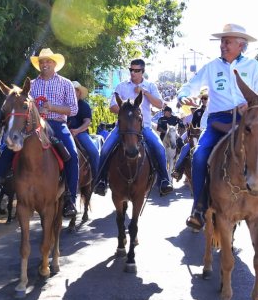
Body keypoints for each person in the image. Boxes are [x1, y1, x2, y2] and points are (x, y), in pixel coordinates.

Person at [177, 23, 258, 231]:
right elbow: (190, 85)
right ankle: (198, 208)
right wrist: (184, 96)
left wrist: (252, 102)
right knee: (199, 155)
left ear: (241, 45)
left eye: (227, 42)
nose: (223, 45)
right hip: (218, 122)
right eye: (222, 42)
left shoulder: (254, 67)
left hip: (247, 122)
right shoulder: (211, 66)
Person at [0, 48, 79, 217]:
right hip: (32, 126)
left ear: (55, 64)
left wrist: (52, 107)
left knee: (72, 155)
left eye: (48, 61)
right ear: (38, 65)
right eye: (42, 62)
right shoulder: (31, 85)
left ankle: (70, 198)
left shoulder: (65, 83)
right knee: (9, 149)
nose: (45, 64)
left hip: (56, 124)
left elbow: (74, 109)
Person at [93, 58, 174, 197]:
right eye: (131, 70)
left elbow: (160, 105)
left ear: (142, 72)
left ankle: (164, 180)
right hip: (122, 128)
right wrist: (127, 110)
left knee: (159, 148)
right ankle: (101, 181)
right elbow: (112, 107)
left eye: (136, 70)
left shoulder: (150, 86)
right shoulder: (122, 86)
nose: (133, 73)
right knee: (105, 149)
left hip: (144, 127)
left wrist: (144, 92)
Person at [68, 81, 99, 184]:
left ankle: (97, 178)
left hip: (80, 133)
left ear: (79, 93)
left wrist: (77, 130)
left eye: (75, 90)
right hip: (65, 131)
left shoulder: (84, 106)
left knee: (93, 152)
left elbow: (87, 122)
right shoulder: (63, 105)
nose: (72, 92)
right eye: (70, 90)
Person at [172, 94, 207, 180]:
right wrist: (191, 133)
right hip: (197, 135)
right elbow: (193, 125)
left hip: (211, 134)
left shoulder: (214, 110)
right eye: (202, 98)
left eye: (205, 98)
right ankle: (177, 169)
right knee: (185, 148)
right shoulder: (197, 112)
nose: (203, 100)